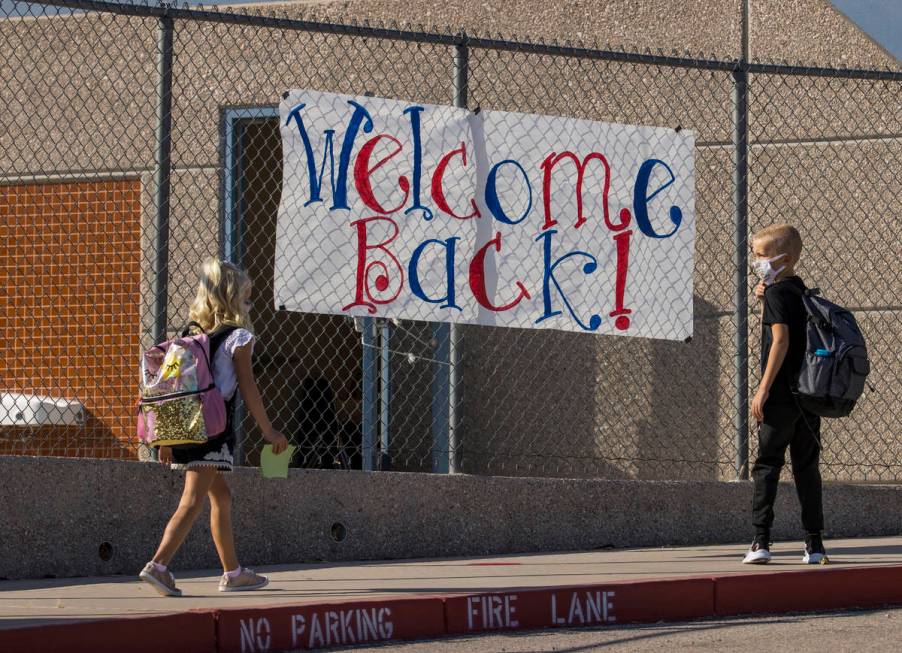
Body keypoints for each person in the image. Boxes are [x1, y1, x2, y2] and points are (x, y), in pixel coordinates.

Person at [139, 258, 289, 596]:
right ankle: (158, 565)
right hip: (213, 430)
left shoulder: (190, 335)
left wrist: (166, 439)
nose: (251, 303)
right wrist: (269, 431)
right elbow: (248, 388)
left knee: (221, 495)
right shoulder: (239, 338)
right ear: (232, 299)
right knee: (192, 500)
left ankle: (233, 572)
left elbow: (172, 390)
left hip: (187, 428)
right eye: (247, 297)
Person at [743, 225, 827, 565]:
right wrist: (763, 301)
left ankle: (760, 540)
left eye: (762, 256)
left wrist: (762, 389)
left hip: (779, 395)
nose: (757, 262)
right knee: (807, 468)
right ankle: (815, 544)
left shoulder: (778, 294)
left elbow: (779, 341)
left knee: (767, 466)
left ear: (785, 258)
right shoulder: (800, 291)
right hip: (807, 395)